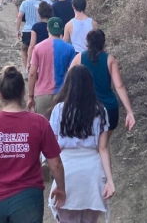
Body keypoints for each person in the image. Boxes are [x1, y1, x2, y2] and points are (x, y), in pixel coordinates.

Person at [0, 66, 66, 223]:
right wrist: (61, 188)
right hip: (29, 199)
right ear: (23, 92)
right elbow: (55, 163)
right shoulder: (40, 123)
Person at [48, 65, 115, 223]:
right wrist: (110, 180)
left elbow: (53, 147)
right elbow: (103, 148)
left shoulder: (59, 110)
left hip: (67, 172)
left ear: (68, 84)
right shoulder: (100, 111)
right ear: (90, 84)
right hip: (92, 174)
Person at [70, 29, 136, 138]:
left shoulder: (79, 58)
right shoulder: (110, 60)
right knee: (104, 146)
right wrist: (129, 111)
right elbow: (119, 86)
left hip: (87, 109)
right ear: (103, 43)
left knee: (92, 145)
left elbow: (69, 81)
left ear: (88, 42)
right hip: (109, 108)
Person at [28, 17, 76, 119]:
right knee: (61, 129)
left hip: (42, 94)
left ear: (47, 29)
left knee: (43, 129)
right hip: (63, 94)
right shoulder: (70, 48)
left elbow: (32, 73)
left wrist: (30, 96)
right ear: (61, 30)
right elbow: (73, 72)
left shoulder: (38, 47)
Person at [16, 0, 42, 75]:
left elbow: (19, 16)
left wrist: (17, 30)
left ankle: (27, 70)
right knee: (38, 51)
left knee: (24, 50)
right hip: (40, 30)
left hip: (27, 31)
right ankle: (38, 70)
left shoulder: (25, 3)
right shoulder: (42, 3)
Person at [27, 1, 53, 70]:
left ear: (39, 14)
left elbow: (32, 45)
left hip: (39, 54)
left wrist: (28, 62)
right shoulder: (52, 26)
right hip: (51, 54)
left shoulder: (36, 27)